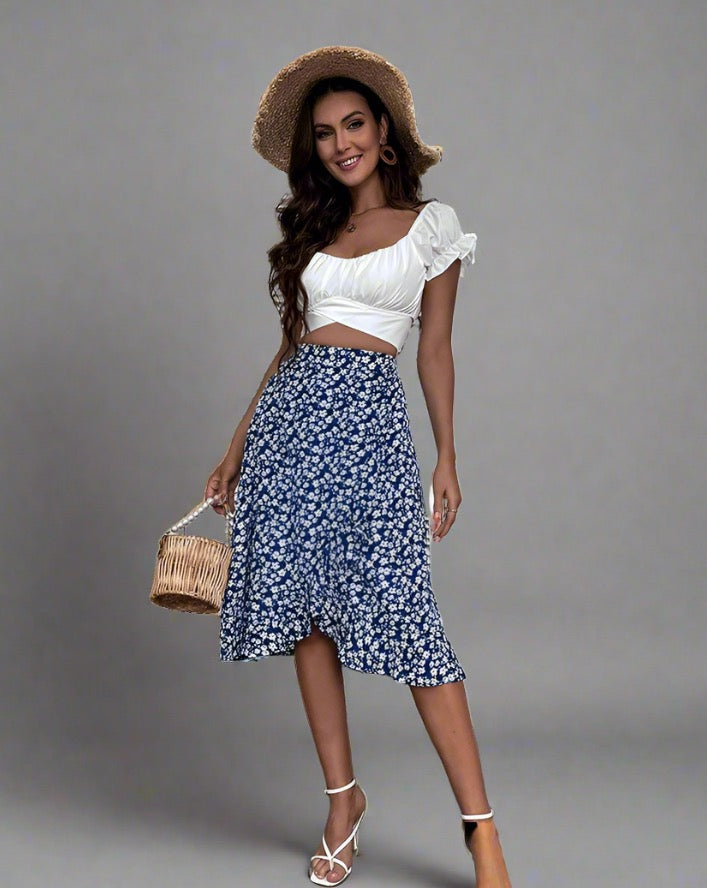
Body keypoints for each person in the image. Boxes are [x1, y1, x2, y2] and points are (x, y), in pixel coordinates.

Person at [204, 46, 513, 888]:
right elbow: (290, 347)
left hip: (370, 431)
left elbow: (437, 351)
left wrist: (447, 456)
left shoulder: (431, 226)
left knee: (411, 625)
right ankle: (343, 801)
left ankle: (481, 832)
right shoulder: (313, 231)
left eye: (354, 124)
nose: (341, 142)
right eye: (326, 133)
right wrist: (236, 445)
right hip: (287, 431)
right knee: (305, 617)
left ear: (384, 133)